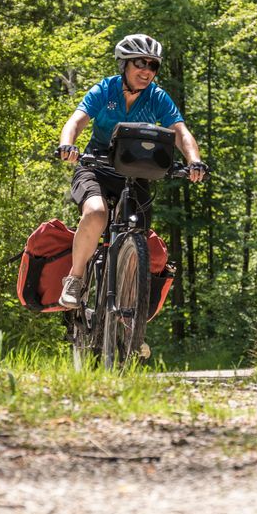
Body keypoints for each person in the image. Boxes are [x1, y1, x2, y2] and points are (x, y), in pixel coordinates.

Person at [56, 33, 207, 309]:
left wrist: (194, 160)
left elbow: (181, 133)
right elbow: (75, 122)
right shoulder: (105, 90)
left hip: (136, 173)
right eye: (140, 63)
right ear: (124, 64)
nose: (147, 71)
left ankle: (129, 323)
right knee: (96, 213)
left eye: (153, 66)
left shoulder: (157, 97)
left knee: (139, 238)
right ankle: (75, 279)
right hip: (96, 167)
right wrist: (68, 145)